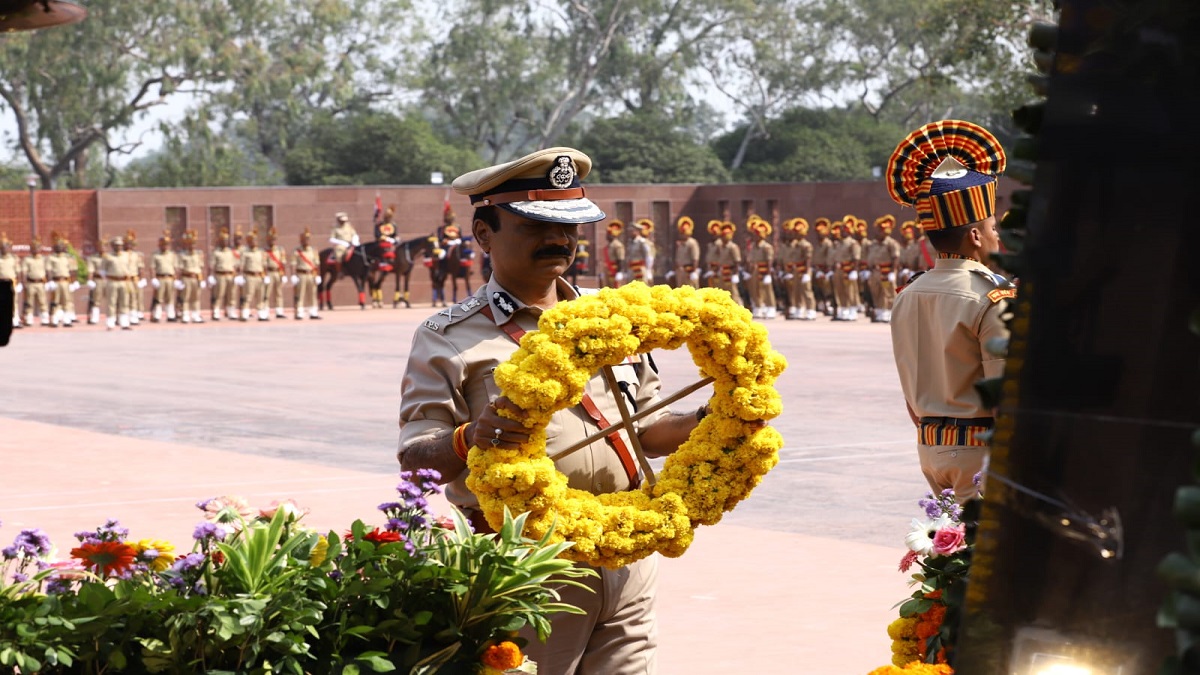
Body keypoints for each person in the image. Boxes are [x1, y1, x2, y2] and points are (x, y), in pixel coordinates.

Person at [398, 147, 706, 675]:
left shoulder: (615, 317)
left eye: (570, 226)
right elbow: (416, 460)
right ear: (483, 233)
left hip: (626, 549)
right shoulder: (447, 337)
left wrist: (710, 421)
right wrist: (474, 436)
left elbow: (648, 429)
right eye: (536, 225)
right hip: (526, 564)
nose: (559, 240)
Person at [886, 119, 1012, 501]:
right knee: (984, 557)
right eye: (992, 228)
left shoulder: (907, 295)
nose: (997, 236)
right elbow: (1004, 396)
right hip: (979, 451)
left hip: (929, 447)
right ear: (975, 236)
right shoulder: (992, 296)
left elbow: (910, 395)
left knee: (948, 550)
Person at [867, 215, 902, 323]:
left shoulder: (891, 243)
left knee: (888, 292)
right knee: (876, 291)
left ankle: (889, 312)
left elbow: (895, 258)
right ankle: (879, 311)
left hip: (886, 271)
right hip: (875, 272)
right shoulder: (873, 244)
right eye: (878, 230)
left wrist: (892, 272)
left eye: (881, 230)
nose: (879, 232)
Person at [779, 218, 816, 320]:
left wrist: (807, 273)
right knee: (796, 291)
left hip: (804, 269)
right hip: (795, 270)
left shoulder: (806, 245)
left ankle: (811, 310)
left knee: (807, 291)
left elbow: (808, 259)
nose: (794, 234)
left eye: (797, 232)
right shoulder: (794, 245)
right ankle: (800, 309)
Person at [745, 216, 776, 319]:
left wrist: (768, 274)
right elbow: (751, 259)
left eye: (756, 235)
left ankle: (770, 307)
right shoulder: (753, 246)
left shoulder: (766, 247)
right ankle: (758, 307)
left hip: (763, 270)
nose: (754, 236)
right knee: (755, 289)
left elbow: (769, 260)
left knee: (766, 289)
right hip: (754, 270)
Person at [101, 235, 133, 330]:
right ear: (112, 246)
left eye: (120, 245)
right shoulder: (107, 256)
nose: (118, 247)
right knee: (111, 302)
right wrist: (107, 279)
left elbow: (130, 268)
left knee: (124, 302)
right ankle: (110, 323)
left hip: (124, 281)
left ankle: (124, 323)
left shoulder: (127, 255)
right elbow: (103, 271)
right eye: (116, 245)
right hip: (112, 281)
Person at [46, 232, 77, 327]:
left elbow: (73, 270)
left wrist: (74, 282)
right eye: (57, 246)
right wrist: (50, 281)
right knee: (55, 301)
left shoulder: (69, 257)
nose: (59, 247)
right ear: (54, 247)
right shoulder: (51, 258)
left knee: (67, 301)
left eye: (61, 245)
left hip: (66, 282)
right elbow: (49, 270)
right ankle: (55, 319)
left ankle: (67, 320)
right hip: (56, 282)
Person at [238, 228, 268, 321]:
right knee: (248, 295)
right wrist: (240, 276)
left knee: (260, 296)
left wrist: (266, 276)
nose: (255, 242)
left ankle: (261, 314)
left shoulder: (261, 252)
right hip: (249, 276)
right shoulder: (245, 252)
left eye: (256, 240)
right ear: (249, 241)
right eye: (253, 240)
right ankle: (245, 314)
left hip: (259, 276)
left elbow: (264, 265)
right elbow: (241, 265)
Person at [291, 227, 321, 320]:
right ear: (301, 240)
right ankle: (299, 312)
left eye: (308, 239)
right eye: (304, 239)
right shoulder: (297, 251)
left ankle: (313, 312)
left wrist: (318, 275)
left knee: (312, 294)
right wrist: (293, 275)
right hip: (301, 274)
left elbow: (317, 264)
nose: (306, 241)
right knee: (300, 294)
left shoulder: (313, 250)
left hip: (312, 274)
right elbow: (293, 264)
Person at [150, 230, 179, 323]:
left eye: (167, 244)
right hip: (160, 278)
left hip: (170, 278)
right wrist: (153, 278)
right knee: (158, 298)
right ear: (160, 245)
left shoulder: (172, 255)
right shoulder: (155, 255)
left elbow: (175, 268)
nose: (165, 246)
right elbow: (152, 268)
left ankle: (170, 315)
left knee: (170, 298)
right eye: (163, 244)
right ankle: (157, 315)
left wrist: (176, 279)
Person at [177, 229, 205, 324]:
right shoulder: (182, 254)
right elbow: (180, 268)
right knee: (185, 297)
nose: (192, 246)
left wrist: (202, 279)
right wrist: (179, 280)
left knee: (196, 297)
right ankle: (185, 314)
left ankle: (196, 315)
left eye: (194, 243)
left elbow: (201, 267)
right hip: (186, 277)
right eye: (190, 244)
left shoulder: (199, 254)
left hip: (196, 278)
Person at [20, 236, 49, 327]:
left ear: (40, 249)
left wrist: (48, 282)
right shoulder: (27, 259)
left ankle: (45, 318)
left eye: (37, 248)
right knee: (29, 301)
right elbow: (24, 272)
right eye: (33, 248)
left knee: (43, 301)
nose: (35, 250)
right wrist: (23, 282)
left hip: (41, 283)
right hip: (31, 283)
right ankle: (29, 318)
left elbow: (48, 271)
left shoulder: (44, 259)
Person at [209, 227, 237, 321]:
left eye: (227, 240)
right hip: (220, 275)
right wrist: (211, 276)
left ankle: (230, 311)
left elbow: (235, 264)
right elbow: (212, 265)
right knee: (219, 294)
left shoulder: (231, 252)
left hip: (230, 275)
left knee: (231, 295)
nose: (225, 242)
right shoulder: (216, 252)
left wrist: (237, 275)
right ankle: (216, 311)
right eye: (223, 240)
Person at [715, 221, 743, 306]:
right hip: (722, 270)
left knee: (733, 291)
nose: (723, 238)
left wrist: (736, 274)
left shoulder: (733, 247)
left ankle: (738, 307)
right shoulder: (720, 247)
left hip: (730, 271)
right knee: (722, 290)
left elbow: (737, 261)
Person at [264, 226, 289, 319]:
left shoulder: (280, 250)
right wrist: (265, 275)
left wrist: (284, 275)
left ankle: (279, 311)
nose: (272, 241)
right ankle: (265, 311)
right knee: (267, 293)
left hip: (278, 273)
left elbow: (283, 263)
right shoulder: (265, 251)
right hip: (269, 273)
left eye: (274, 239)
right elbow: (263, 264)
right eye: (271, 239)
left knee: (279, 293)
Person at [811, 218, 834, 315]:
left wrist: (827, 270)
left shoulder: (828, 244)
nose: (818, 235)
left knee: (826, 288)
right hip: (817, 269)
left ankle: (829, 306)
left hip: (825, 270)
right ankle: (820, 304)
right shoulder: (817, 245)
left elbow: (829, 257)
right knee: (816, 287)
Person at [672, 215, 701, 288]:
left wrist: (694, 272)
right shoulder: (680, 244)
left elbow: (695, 259)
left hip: (689, 271)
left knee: (691, 291)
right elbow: (677, 258)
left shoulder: (692, 243)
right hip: (680, 271)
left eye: (683, 233)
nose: (681, 234)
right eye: (680, 233)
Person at [0, 233, 21, 329]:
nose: (4, 249)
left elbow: (18, 272)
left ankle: (15, 320)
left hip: (11, 282)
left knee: (13, 302)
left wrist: (19, 283)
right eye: (2, 247)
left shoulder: (14, 259)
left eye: (5, 247)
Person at [625, 218, 654, 284]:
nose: (629, 233)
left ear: (637, 231)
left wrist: (648, 271)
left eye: (631, 231)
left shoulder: (642, 242)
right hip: (631, 269)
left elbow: (649, 257)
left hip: (640, 269)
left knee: (642, 288)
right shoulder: (629, 242)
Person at [599, 220, 625, 288]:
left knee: (615, 290)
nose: (606, 236)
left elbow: (620, 260)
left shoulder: (618, 245)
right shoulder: (607, 246)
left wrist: (619, 273)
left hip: (614, 271)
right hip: (607, 271)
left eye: (608, 234)